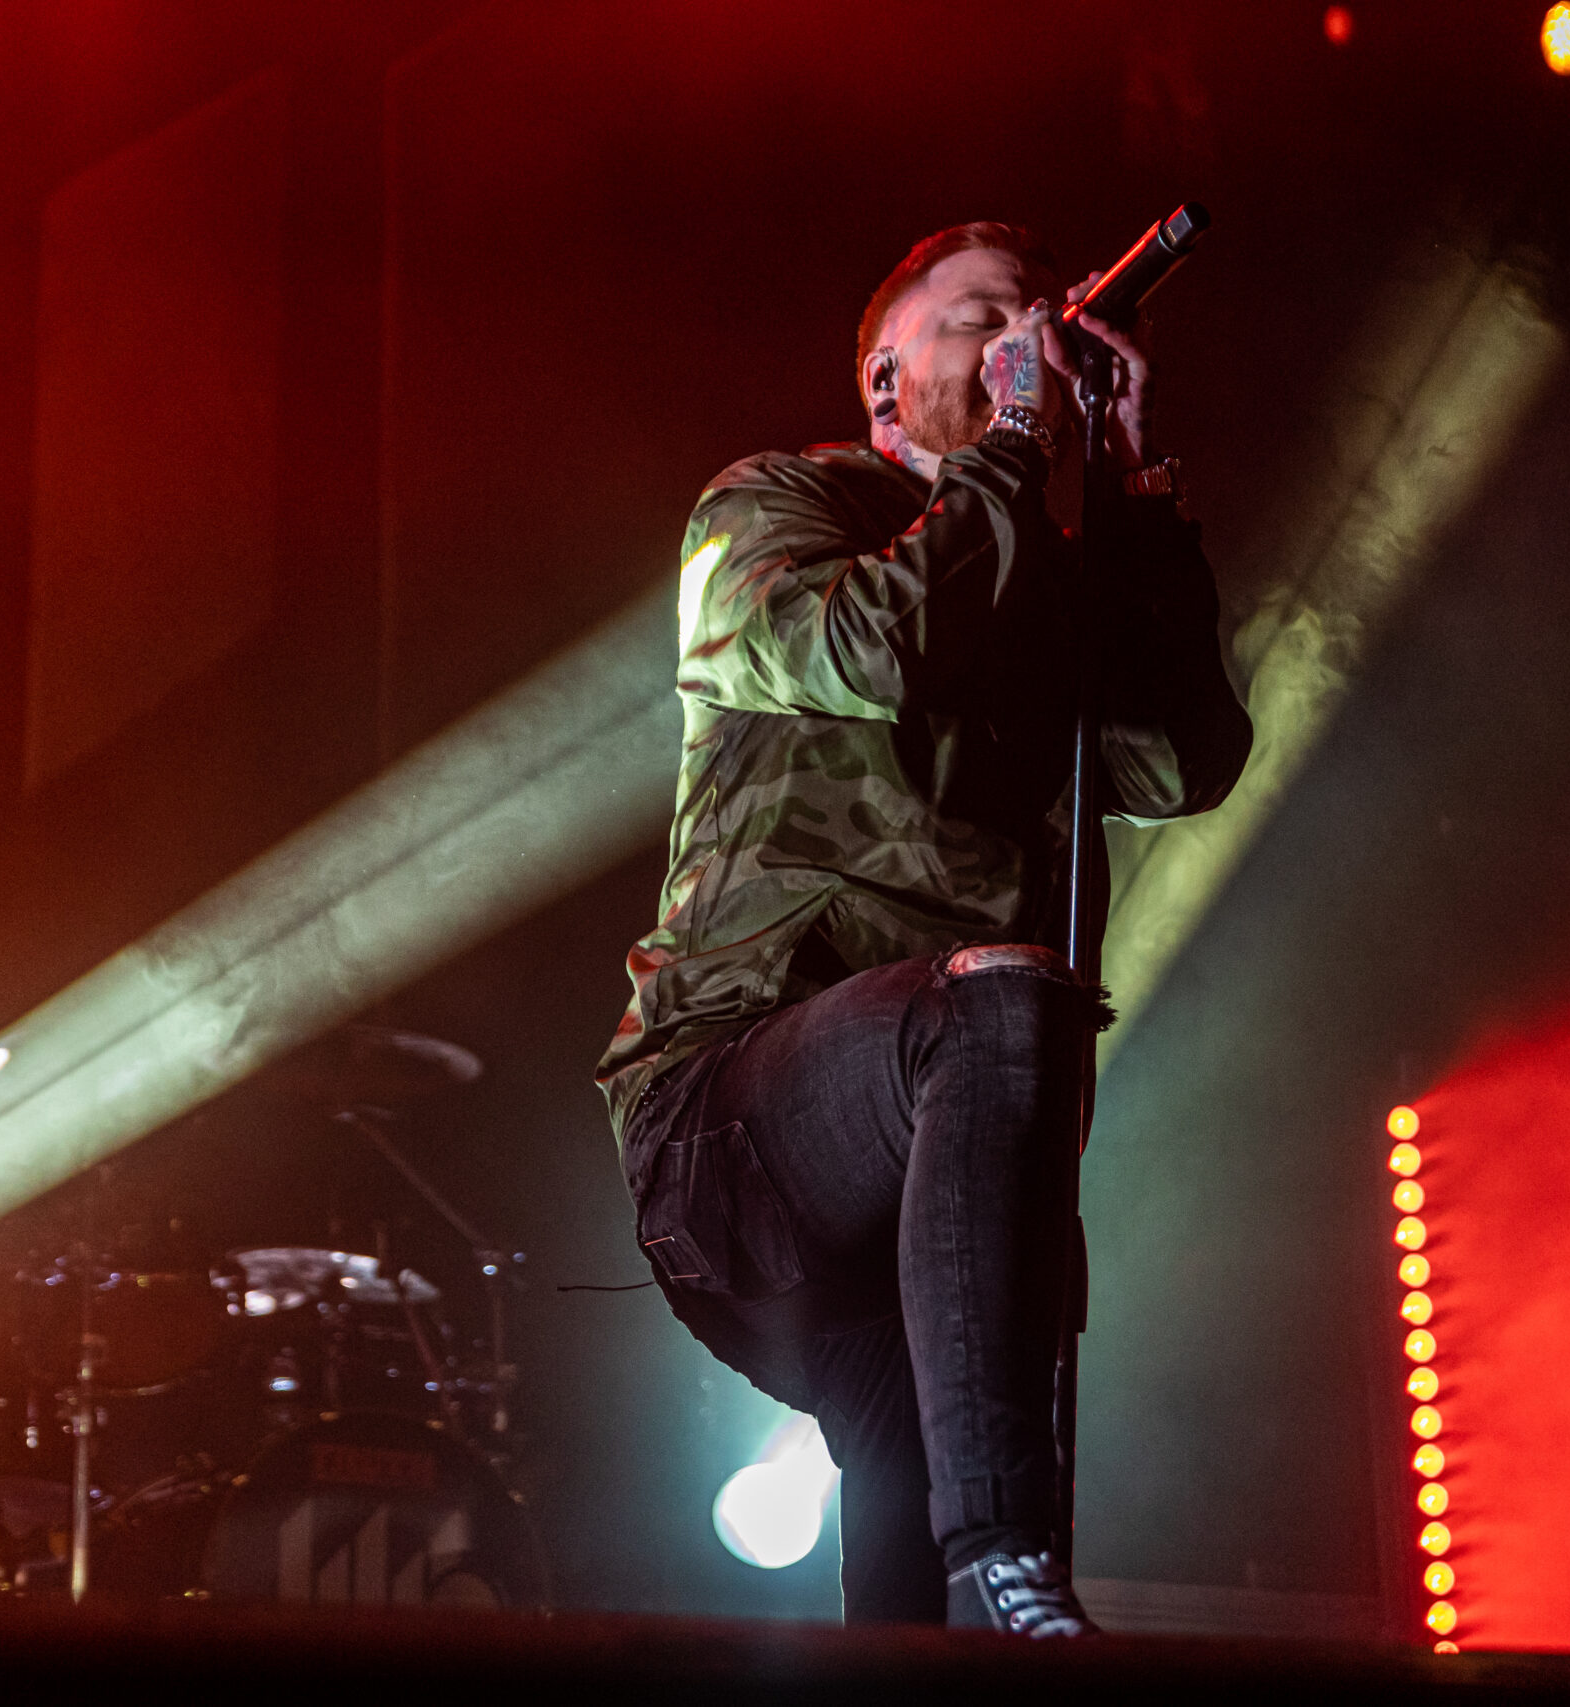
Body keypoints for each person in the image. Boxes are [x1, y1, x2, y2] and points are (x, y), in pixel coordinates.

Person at [596, 222, 1249, 1633]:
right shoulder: (776, 506)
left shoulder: (1044, 575)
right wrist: (1014, 436)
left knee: (902, 1587)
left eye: (1037, 317)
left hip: (932, 1188)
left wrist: (1133, 480)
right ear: (885, 380)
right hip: (732, 1123)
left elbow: (1180, 762)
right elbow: (868, 647)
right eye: (981, 317)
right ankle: (1010, 1554)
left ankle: (956, 1617)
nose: (1023, 337)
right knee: (1001, 999)